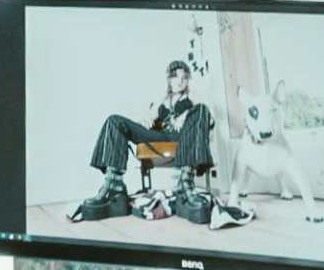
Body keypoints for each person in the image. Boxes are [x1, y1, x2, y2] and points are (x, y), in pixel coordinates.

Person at [73, 59, 236, 224]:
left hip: (183, 137)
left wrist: (188, 115)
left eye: (184, 78)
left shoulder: (194, 98)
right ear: (169, 79)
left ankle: (185, 182)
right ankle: (114, 186)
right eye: (176, 76)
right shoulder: (161, 100)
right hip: (159, 135)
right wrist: (146, 118)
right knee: (114, 121)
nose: (180, 81)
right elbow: (148, 118)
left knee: (202, 110)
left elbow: (209, 119)